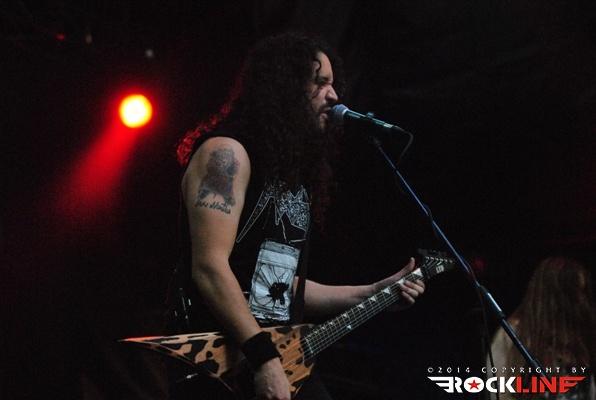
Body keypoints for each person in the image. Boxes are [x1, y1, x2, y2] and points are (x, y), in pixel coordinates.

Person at [168, 32, 425, 400]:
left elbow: (277, 286)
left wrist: (372, 293)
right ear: (283, 87)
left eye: (333, 85)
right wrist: (263, 357)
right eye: (319, 83)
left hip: (274, 355)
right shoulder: (226, 154)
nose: (333, 96)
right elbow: (209, 266)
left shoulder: (288, 176)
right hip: (224, 365)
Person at [487, 256, 595, 400]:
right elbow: (499, 390)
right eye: (576, 293)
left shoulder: (579, 337)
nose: (582, 300)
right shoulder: (513, 335)